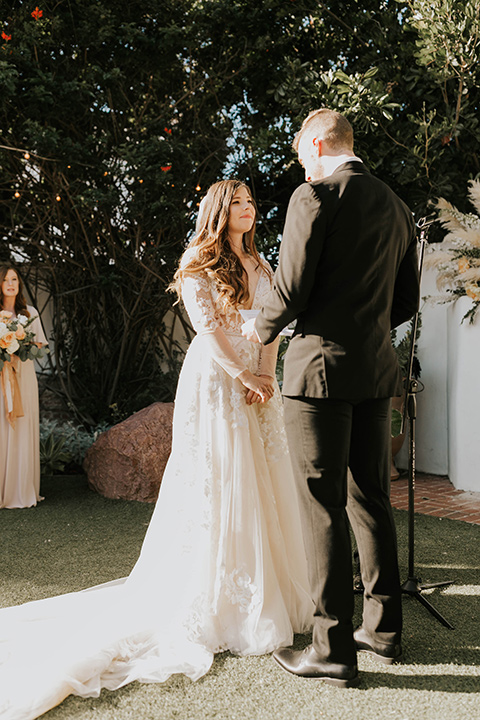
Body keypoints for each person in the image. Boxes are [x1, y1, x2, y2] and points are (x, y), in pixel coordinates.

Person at [0, 180, 313, 720]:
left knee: (263, 476)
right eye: (238, 203)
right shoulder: (197, 260)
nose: (248, 210)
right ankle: (219, 596)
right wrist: (240, 373)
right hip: (217, 380)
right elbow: (207, 329)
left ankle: (271, 588)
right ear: (219, 211)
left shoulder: (263, 264)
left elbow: (272, 327)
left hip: (259, 380)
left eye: (251, 202)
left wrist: (263, 372)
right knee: (224, 478)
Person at [242, 109, 420, 687]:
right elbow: (407, 302)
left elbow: (290, 289)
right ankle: (385, 630)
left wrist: (259, 327)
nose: (299, 161)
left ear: (318, 143)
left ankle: (331, 648)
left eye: (299, 150)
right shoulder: (397, 206)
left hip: (317, 373)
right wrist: (364, 330)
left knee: (321, 507)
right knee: (371, 498)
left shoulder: (313, 197)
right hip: (375, 371)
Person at [0, 266, 47, 509]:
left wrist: (22, 345)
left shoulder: (29, 313)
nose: (10, 283)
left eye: (14, 279)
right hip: (1, 377)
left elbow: (40, 345)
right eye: (6, 279)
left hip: (24, 377)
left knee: (21, 428)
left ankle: (20, 489)